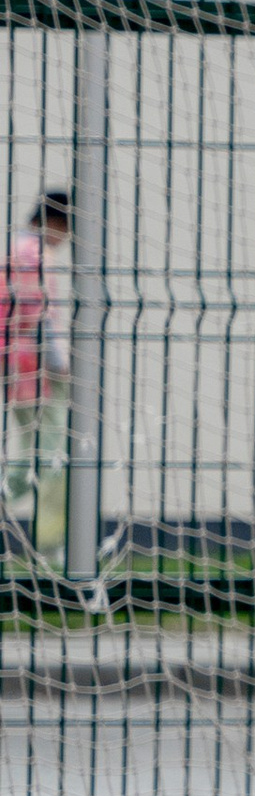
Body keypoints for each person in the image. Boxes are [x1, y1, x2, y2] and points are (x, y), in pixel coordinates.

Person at [2, 188, 71, 561]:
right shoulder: (33, 255)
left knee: (33, 453)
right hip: (37, 370)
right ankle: (50, 545)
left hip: (16, 367)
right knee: (52, 456)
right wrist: (60, 364)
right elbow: (38, 317)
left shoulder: (15, 251)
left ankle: (50, 543)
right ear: (56, 223)